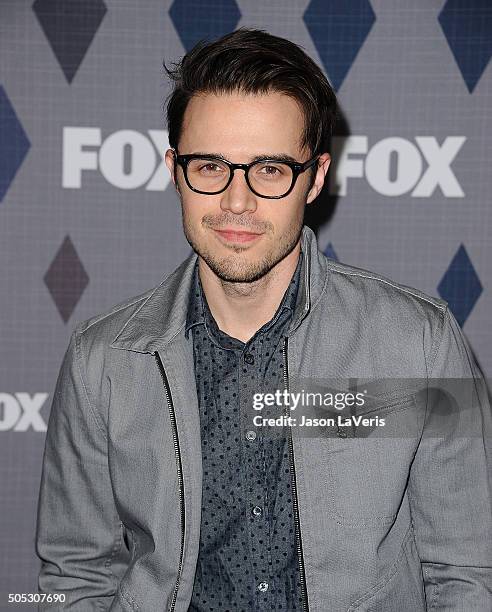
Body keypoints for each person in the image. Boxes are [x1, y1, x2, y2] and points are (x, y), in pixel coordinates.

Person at [36, 27, 491, 611]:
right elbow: (75, 577)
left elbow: (468, 571)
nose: (236, 202)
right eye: (210, 166)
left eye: (270, 170)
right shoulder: (101, 359)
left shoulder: (421, 342)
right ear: (175, 168)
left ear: (316, 177)